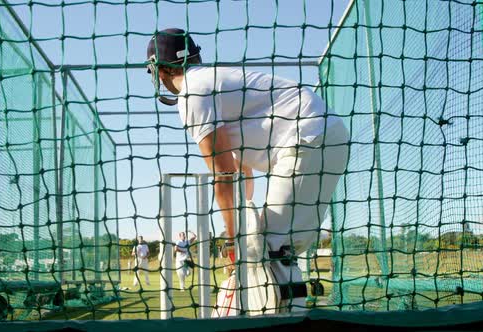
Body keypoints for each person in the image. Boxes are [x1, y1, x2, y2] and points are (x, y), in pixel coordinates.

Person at [146, 28, 349, 313]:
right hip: (324, 137)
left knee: (276, 248)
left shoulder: (191, 93)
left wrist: (233, 243)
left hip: (308, 137)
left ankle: (282, 320)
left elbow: (224, 175)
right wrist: (242, 229)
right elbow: (242, 173)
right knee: (282, 245)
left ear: (162, 69)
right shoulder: (215, 84)